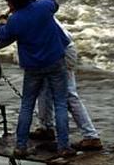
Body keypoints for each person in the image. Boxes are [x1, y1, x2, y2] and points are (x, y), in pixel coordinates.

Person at [0, 0, 75, 159]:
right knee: (60, 104)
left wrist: (1, 22)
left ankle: (21, 146)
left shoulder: (15, 21)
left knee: (27, 105)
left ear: (12, 2)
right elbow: (53, 2)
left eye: (8, 1)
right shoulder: (44, 7)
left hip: (33, 67)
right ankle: (64, 147)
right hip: (55, 62)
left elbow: (3, 34)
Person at [33, 20, 103, 151]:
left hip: (61, 53)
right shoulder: (36, 9)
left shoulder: (27, 15)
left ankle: (91, 137)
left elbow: (6, 36)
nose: (7, 4)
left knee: (68, 95)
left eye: (8, 1)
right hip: (54, 52)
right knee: (44, 89)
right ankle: (46, 128)